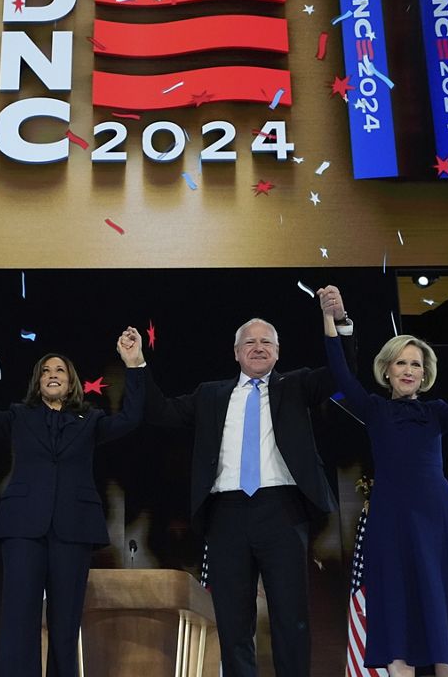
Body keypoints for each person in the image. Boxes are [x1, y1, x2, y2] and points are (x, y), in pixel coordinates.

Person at [143, 288, 357, 677]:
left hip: (283, 511)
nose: (258, 348)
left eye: (266, 343)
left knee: (291, 616)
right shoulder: (211, 395)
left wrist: (339, 322)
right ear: (236, 352)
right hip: (227, 514)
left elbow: (344, 373)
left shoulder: (296, 385)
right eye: (250, 342)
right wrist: (137, 364)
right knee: (234, 620)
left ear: (277, 352)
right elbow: (159, 412)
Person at [319, 286, 448, 677]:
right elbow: (339, 373)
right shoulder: (373, 410)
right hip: (391, 519)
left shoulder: (436, 414)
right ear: (387, 370)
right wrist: (329, 319)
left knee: (442, 604)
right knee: (397, 606)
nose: (409, 370)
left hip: (436, 519)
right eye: (402, 363)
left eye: (416, 364)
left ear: (424, 374)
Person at [0, 324, 147, 677]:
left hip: (73, 532)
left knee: (65, 625)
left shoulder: (91, 420)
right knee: (18, 623)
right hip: (23, 529)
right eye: (45, 371)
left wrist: (134, 364)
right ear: (37, 383)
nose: (52, 375)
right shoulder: (18, 416)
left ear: (71, 383)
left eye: (60, 371)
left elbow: (131, 418)